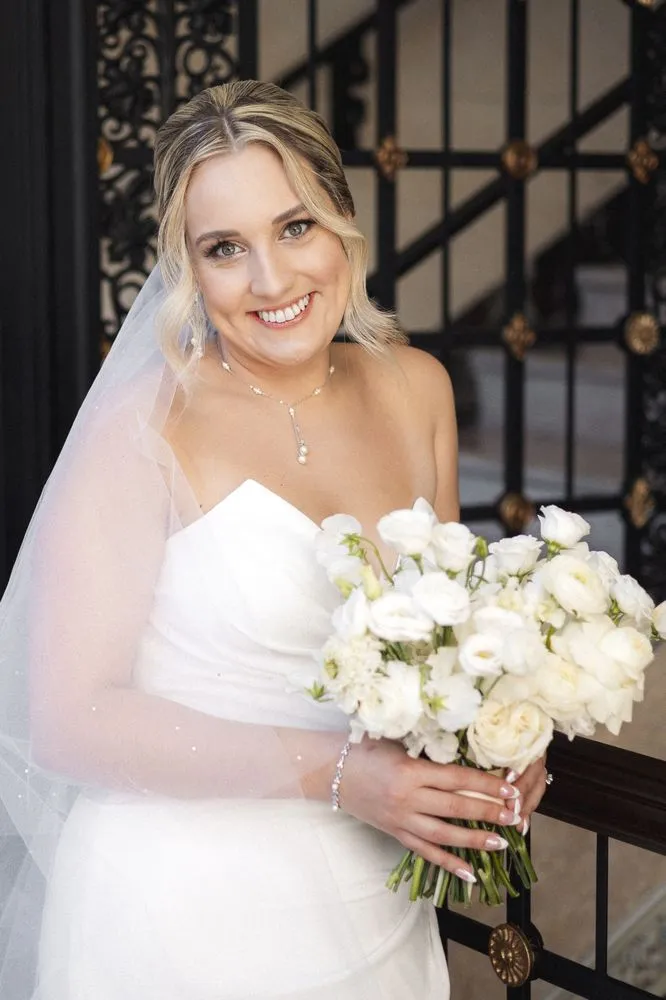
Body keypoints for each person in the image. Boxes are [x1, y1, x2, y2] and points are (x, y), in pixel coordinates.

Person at [0, 80, 547, 999]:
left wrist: (499, 741)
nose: (272, 280)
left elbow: (452, 643)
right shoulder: (144, 427)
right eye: (225, 248)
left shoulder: (417, 387)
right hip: (177, 913)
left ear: (342, 222)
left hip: (376, 902)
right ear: (187, 267)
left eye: (295, 228)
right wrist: (339, 775)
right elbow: (67, 719)